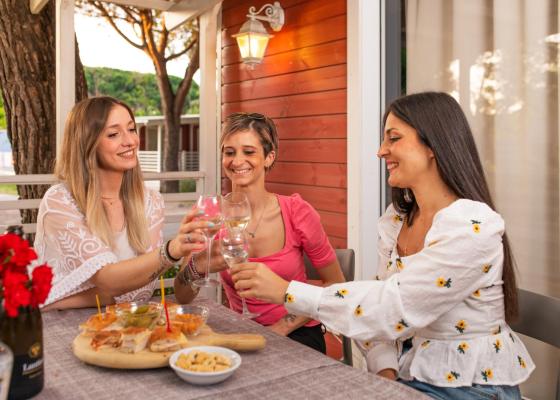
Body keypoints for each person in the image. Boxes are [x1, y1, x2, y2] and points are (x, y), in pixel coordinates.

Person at [230, 92, 534, 399]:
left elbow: (392, 306)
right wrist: (386, 376)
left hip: (471, 387)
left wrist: (286, 291)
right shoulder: (397, 221)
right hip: (409, 376)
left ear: (432, 146)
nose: (380, 151)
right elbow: (380, 322)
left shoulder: (471, 226)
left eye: (393, 138)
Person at [192, 111, 345, 353]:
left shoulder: (297, 212)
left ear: (269, 157)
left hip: (297, 331)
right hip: (241, 331)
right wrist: (196, 264)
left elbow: (336, 283)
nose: (237, 160)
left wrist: (281, 328)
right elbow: (182, 291)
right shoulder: (211, 214)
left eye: (249, 151)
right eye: (229, 152)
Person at [35, 96, 207, 310]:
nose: (131, 141)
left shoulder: (150, 201)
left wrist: (60, 300)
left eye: (132, 129)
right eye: (114, 134)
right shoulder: (60, 201)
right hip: (58, 325)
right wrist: (170, 251)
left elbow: (144, 289)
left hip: (120, 326)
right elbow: (110, 280)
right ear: (87, 144)